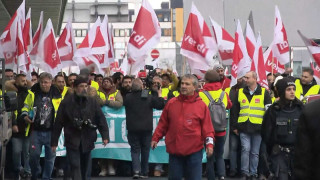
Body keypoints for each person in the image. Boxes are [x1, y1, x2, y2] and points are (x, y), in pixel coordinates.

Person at [151, 74, 215, 180]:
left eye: (187, 84)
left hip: (194, 151)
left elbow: (208, 128)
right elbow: (163, 124)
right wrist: (155, 138)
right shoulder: (171, 103)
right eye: (182, 83)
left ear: (195, 87)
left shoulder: (201, 106)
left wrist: (209, 144)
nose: (183, 86)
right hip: (175, 151)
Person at [51, 77, 109, 180]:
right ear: (75, 88)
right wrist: (54, 142)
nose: (84, 88)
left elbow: (101, 119)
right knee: (75, 165)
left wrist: (105, 136)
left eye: (86, 86)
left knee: (85, 167)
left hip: (88, 138)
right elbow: (58, 123)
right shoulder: (66, 102)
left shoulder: (92, 102)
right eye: (81, 86)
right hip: (72, 138)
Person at [21, 72, 62, 180]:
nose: (44, 84)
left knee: (50, 158)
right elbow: (25, 108)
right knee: (33, 157)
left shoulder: (57, 95)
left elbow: (61, 112)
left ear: (51, 83)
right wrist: (25, 116)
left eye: (46, 82)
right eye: (42, 82)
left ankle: (46, 177)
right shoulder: (32, 93)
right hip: (35, 131)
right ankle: (36, 174)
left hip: (51, 132)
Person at [231, 71, 272, 180]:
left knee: (254, 152)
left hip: (258, 128)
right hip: (244, 126)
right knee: (245, 149)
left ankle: (253, 173)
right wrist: (234, 126)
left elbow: (269, 112)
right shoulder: (240, 92)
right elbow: (234, 111)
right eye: (245, 77)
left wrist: (267, 127)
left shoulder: (264, 92)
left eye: (248, 77)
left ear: (255, 79)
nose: (245, 79)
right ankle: (245, 173)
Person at [261, 78, 303, 180]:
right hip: (279, 154)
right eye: (288, 89)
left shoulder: (301, 108)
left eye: (293, 89)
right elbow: (266, 134)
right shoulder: (273, 110)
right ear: (281, 91)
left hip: (297, 155)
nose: (292, 92)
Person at [124, 78, 165, 178]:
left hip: (132, 128)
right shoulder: (148, 97)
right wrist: (159, 94)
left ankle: (136, 171)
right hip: (146, 128)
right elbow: (160, 105)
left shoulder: (128, 97)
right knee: (145, 150)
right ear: (142, 86)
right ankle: (144, 172)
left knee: (134, 150)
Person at [199, 70, 232, 180]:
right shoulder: (224, 93)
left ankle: (211, 177)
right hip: (221, 129)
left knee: (209, 156)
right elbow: (229, 106)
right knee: (219, 155)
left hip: (207, 131)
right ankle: (222, 176)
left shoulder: (201, 94)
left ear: (206, 80)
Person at [5, 74, 32, 179]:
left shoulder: (30, 94)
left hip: (27, 128)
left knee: (27, 152)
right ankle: (18, 169)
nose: (25, 83)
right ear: (16, 82)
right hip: (16, 129)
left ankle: (27, 171)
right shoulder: (11, 94)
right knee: (16, 152)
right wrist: (14, 124)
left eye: (26, 81)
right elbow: (11, 112)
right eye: (22, 81)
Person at [228, 77, 246, 177]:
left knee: (243, 149)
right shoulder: (231, 89)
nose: (239, 79)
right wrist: (234, 127)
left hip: (244, 126)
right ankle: (233, 169)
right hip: (234, 125)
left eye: (241, 77)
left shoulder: (245, 91)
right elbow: (233, 111)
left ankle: (241, 170)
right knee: (234, 148)